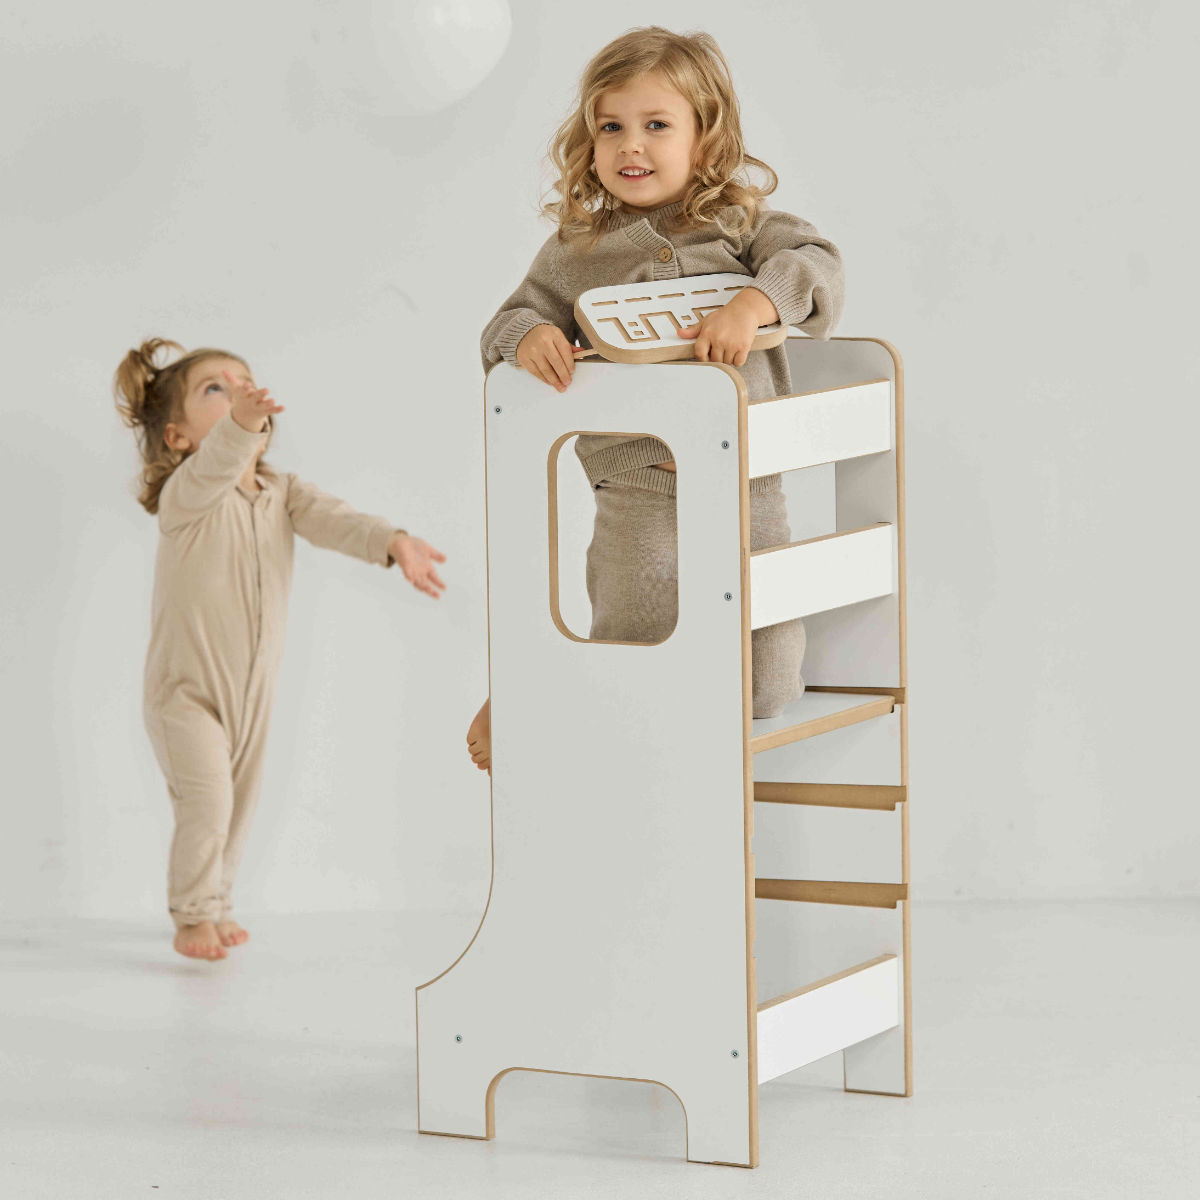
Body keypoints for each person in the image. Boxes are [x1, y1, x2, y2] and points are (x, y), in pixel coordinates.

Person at [466, 26, 844, 774]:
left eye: (657, 125)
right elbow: (506, 324)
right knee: (632, 647)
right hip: (638, 490)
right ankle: (536, 694)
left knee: (767, 685)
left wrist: (754, 304)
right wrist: (529, 335)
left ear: (706, 140)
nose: (630, 146)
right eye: (611, 127)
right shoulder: (577, 250)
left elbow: (818, 263)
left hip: (746, 488)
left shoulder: (740, 226)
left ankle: (582, 711)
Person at [114, 339, 447, 960]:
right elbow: (218, 462)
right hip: (184, 694)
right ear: (177, 438)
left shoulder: (281, 491)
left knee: (238, 807)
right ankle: (192, 914)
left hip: (252, 694)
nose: (241, 390)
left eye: (245, 381)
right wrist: (241, 425)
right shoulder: (186, 496)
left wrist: (392, 541)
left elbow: (336, 519)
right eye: (216, 388)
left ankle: (218, 903)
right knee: (209, 801)